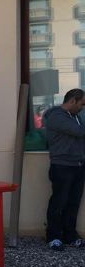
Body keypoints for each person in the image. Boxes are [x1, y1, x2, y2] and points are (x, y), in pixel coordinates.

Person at [43, 89, 85, 251]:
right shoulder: (57, 116)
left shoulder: (76, 117)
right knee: (59, 202)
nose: (82, 107)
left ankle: (70, 236)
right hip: (62, 166)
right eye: (82, 104)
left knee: (73, 203)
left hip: (78, 165)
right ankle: (53, 237)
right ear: (72, 100)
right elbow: (79, 132)